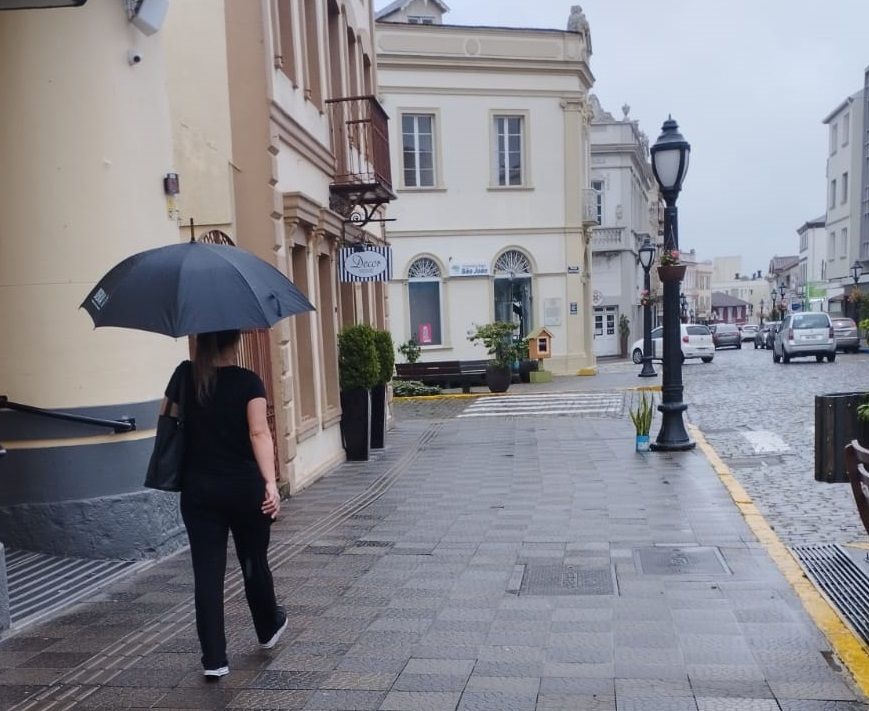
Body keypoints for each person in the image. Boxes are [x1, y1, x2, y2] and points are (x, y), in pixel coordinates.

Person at [161, 329, 287, 678]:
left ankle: (214, 660)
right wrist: (270, 484)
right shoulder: (248, 382)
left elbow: (168, 418)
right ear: (236, 342)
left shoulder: (185, 377)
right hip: (245, 489)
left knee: (207, 573)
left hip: (199, 490)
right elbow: (259, 433)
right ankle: (267, 627)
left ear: (201, 342)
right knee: (253, 560)